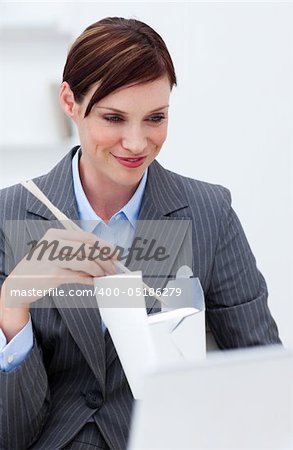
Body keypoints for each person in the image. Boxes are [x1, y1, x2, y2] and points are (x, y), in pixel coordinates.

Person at [0, 16, 281, 450]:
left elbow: (263, 382)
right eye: (114, 118)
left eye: (155, 118)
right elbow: (8, 433)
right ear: (69, 101)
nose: (136, 143)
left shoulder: (209, 213)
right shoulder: (10, 214)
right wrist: (13, 303)